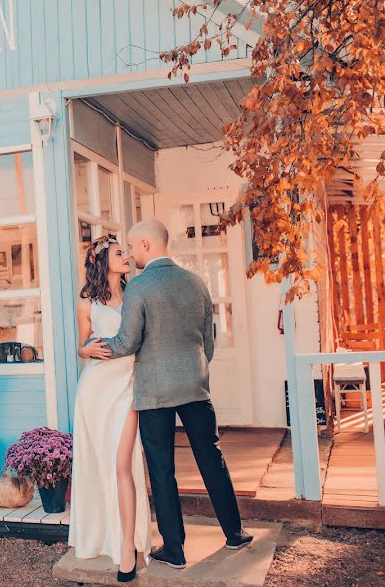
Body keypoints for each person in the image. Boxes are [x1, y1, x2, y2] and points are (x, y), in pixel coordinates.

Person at [85, 219, 253, 572]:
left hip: (154, 391)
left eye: (132, 247)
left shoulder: (140, 288)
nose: (130, 254)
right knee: (212, 458)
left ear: (146, 244)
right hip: (196, 386)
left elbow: (128, 341)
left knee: (162, 469)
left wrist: (95, 350)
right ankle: (235, 532)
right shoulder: (196, 282)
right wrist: (195, 368)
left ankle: (174, 550)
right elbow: (209, 339)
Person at [68, 234, 151, 583]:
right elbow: (81, 347)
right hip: (94, 390)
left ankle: (128, 549)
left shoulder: (137, 294)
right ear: (103, 261)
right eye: (120, 253)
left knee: (123, 466)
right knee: (98, 466)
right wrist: (87, 351)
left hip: (128, 388)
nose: (127, 257)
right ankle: (99, 536)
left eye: (126, 252)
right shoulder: (88, 302)